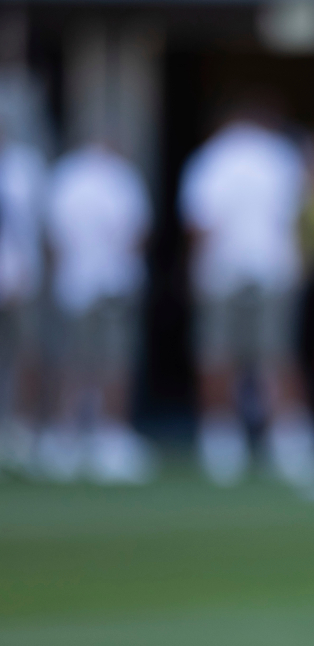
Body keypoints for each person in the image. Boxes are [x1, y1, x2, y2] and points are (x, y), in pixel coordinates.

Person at [180, 111, 314, 492]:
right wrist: (303, 263)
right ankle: (291, 446)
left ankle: (221, 447)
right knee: (276, 357)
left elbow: (200, 224)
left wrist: (195, 272)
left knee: (218, 356)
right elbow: (303, 216)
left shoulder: (211, 158)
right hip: (272, 269)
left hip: (222, 271)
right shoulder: (279, 155)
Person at [42, 142, 154, 484]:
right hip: (108, 283)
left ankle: (67, 439)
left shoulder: (66, 176)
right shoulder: (121, 178)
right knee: (109, 362)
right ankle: (106, 437)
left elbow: (52, 238)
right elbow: (136, 234)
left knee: (78, 361)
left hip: (77, 284)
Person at [0, 126, 45, 474]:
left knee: (27, 353)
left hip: (22, 278)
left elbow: (39, 225)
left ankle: (22, 430)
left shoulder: (26, 167)